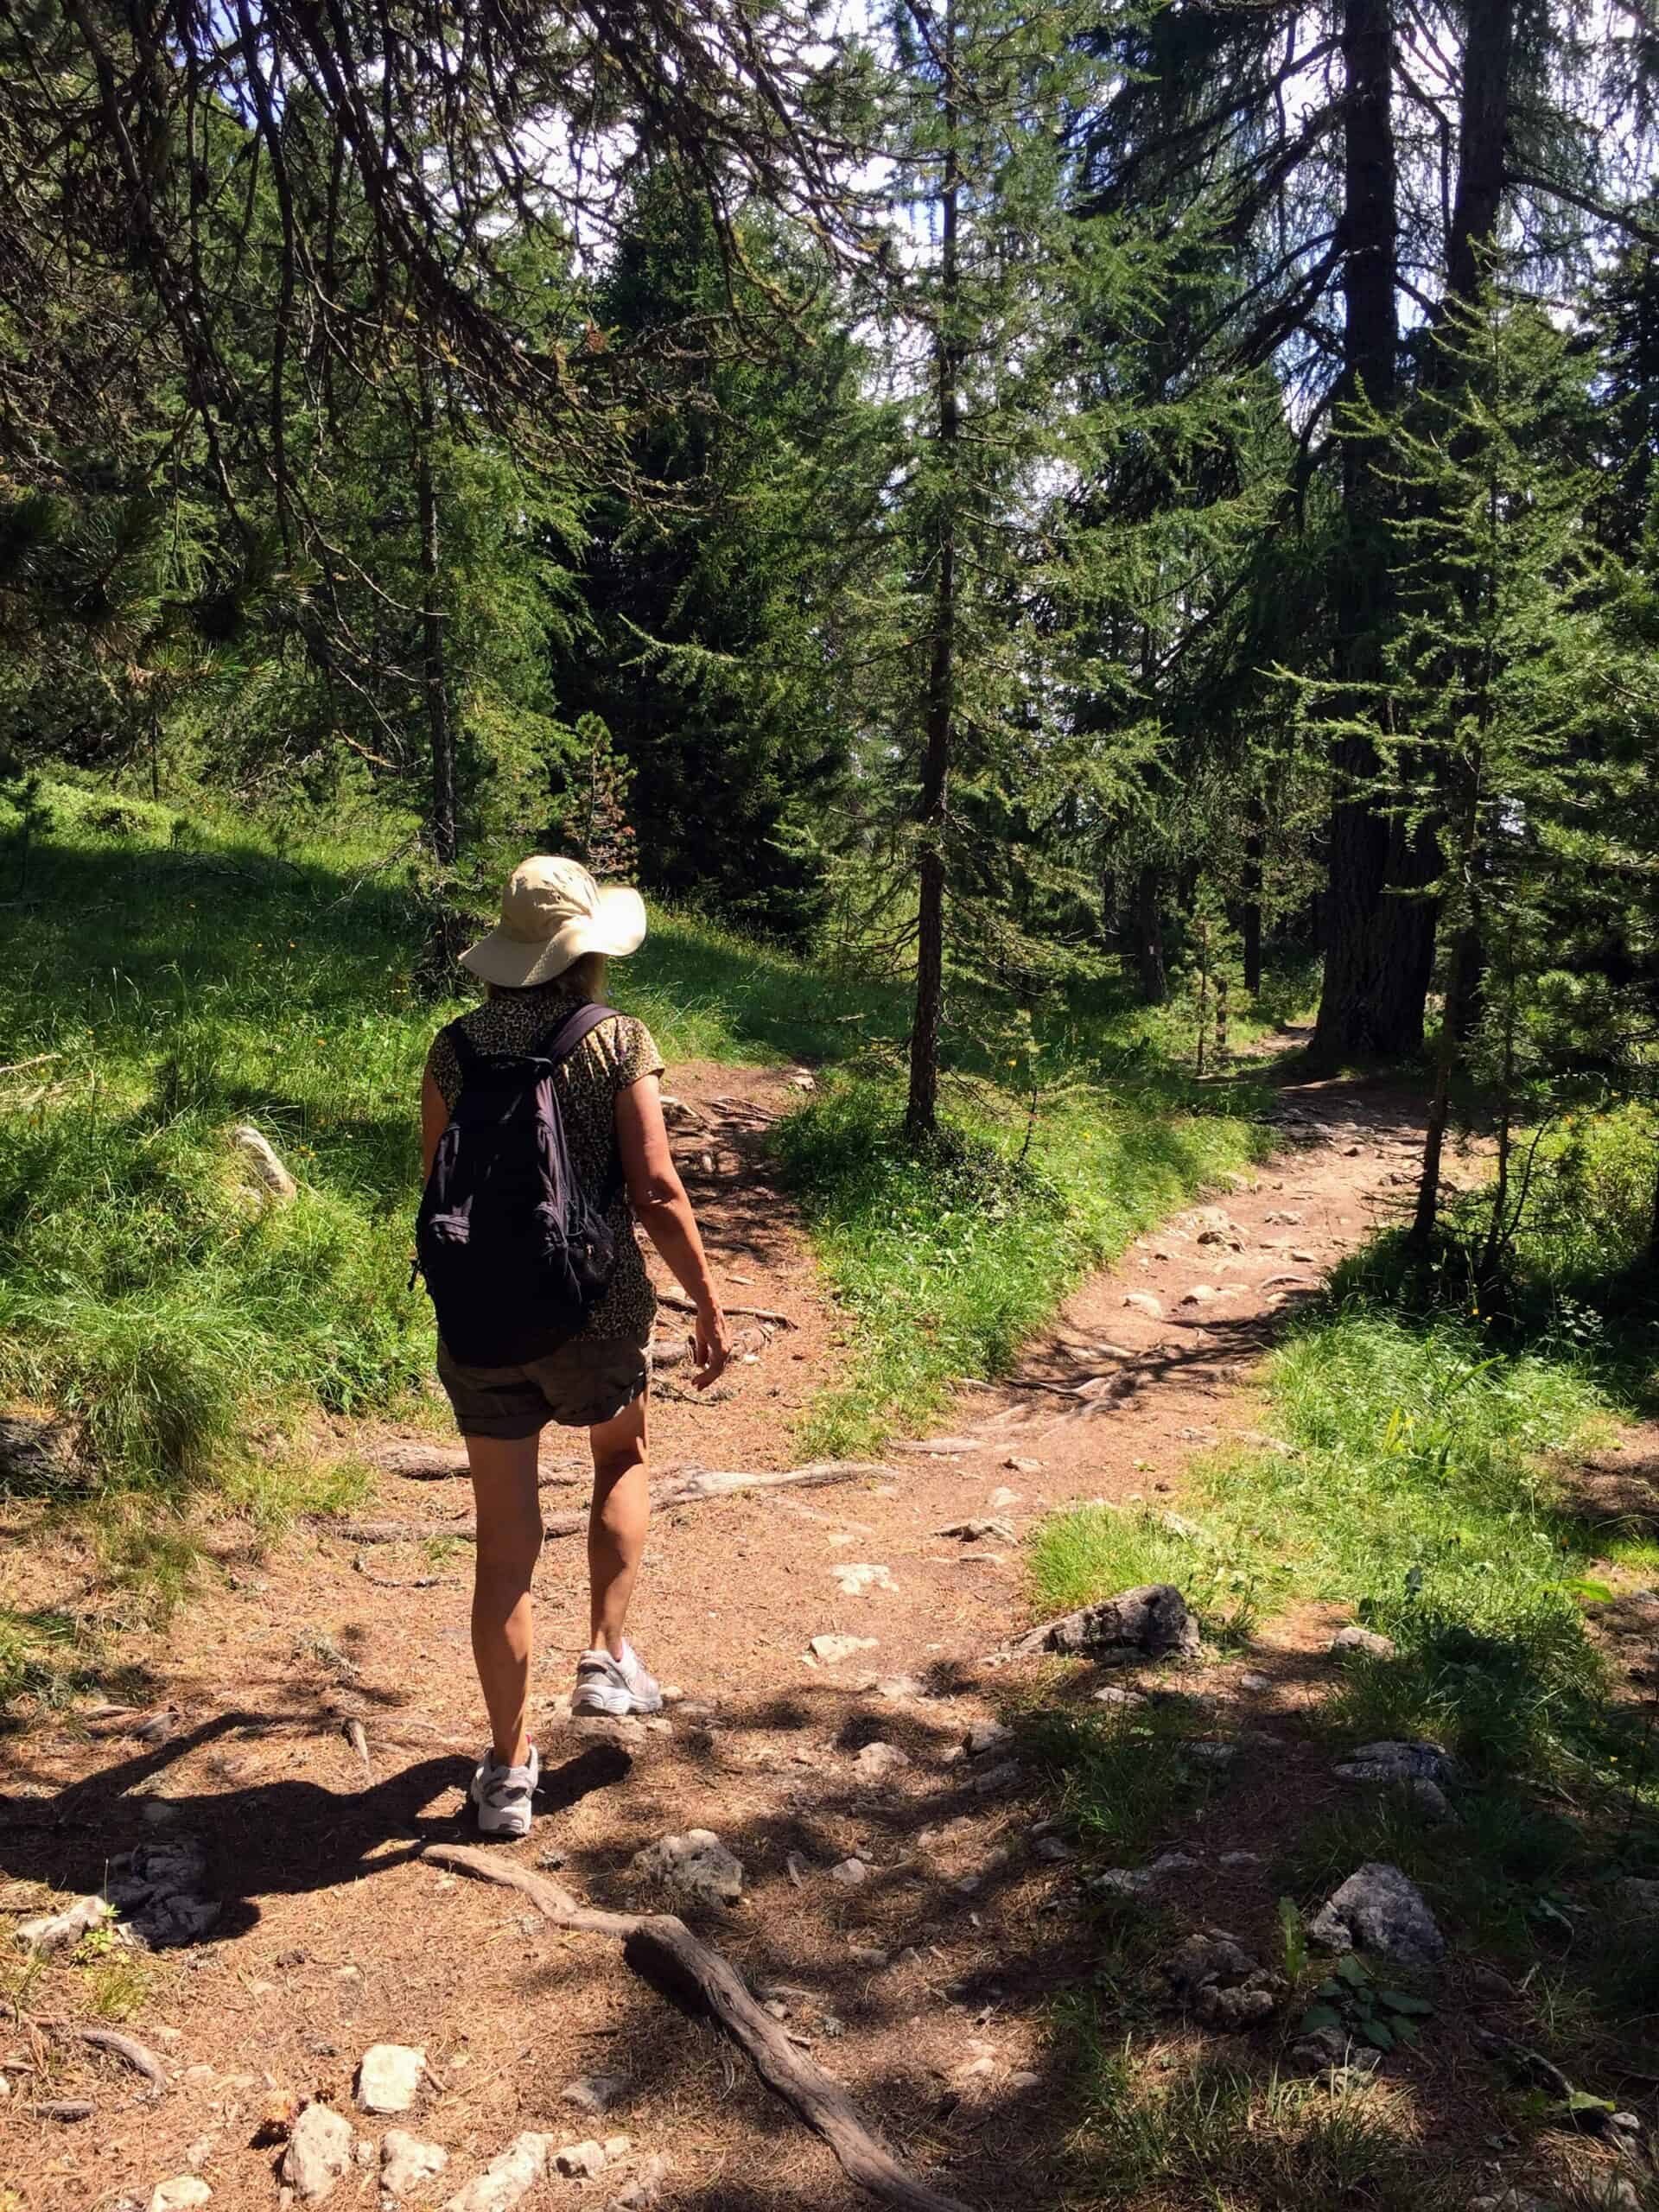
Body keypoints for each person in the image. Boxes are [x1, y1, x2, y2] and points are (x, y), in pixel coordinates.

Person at [420, 855, 731, 1838]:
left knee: (504, 1549)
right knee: (620, 1455)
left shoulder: (453, 1048)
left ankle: (507, 1772)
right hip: (595, 1311)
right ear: (588, 951)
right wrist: (708, 1302)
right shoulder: (615, 1040)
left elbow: (436, 1187)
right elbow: (657, 1189)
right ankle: (604, 1655)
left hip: (480, 1321)